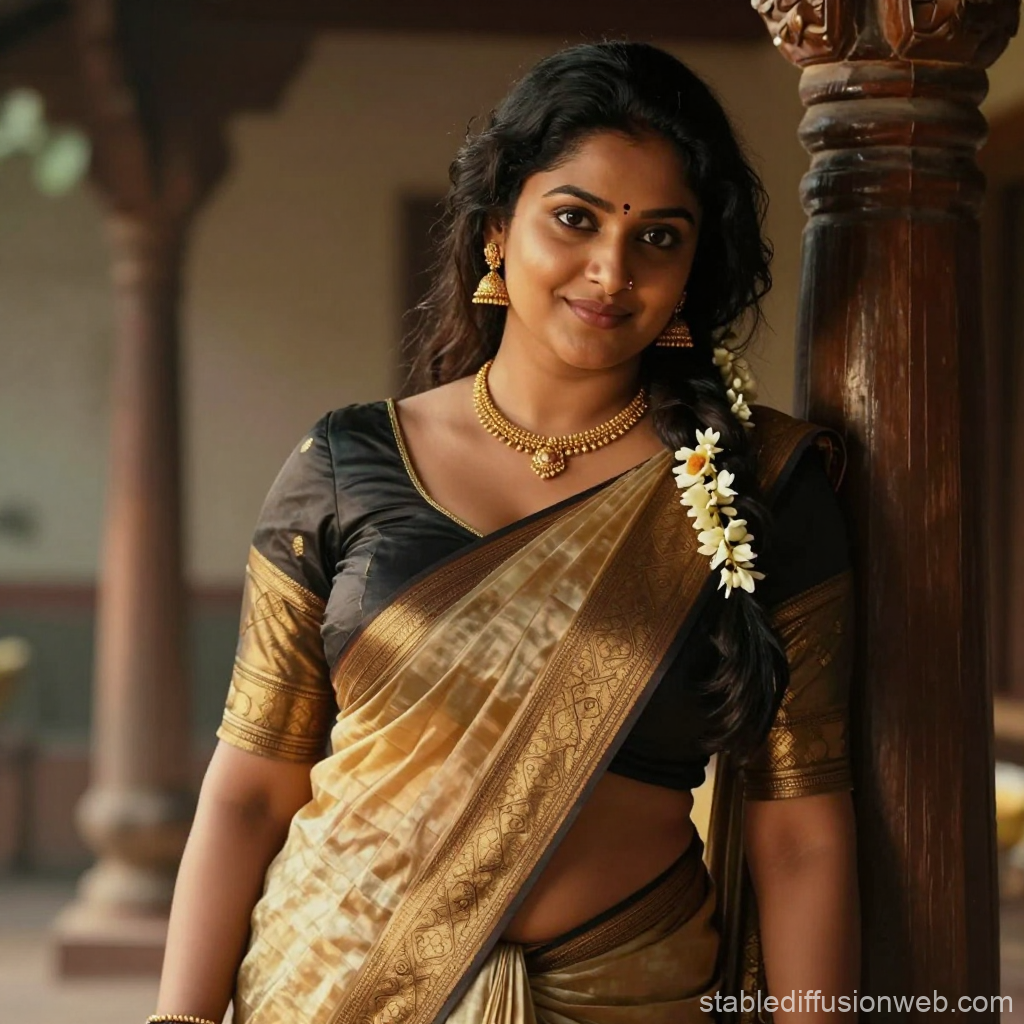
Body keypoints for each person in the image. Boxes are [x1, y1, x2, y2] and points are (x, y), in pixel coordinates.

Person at [152, 41, 859, 1024]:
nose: (610, 271)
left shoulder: (762, 486)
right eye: (572, 219)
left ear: (694, 267)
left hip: (629, 991)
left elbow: (800, 834)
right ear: (497, 230)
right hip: (338, 984)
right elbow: (248, 791)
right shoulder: (347, 464)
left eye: (659, 237)